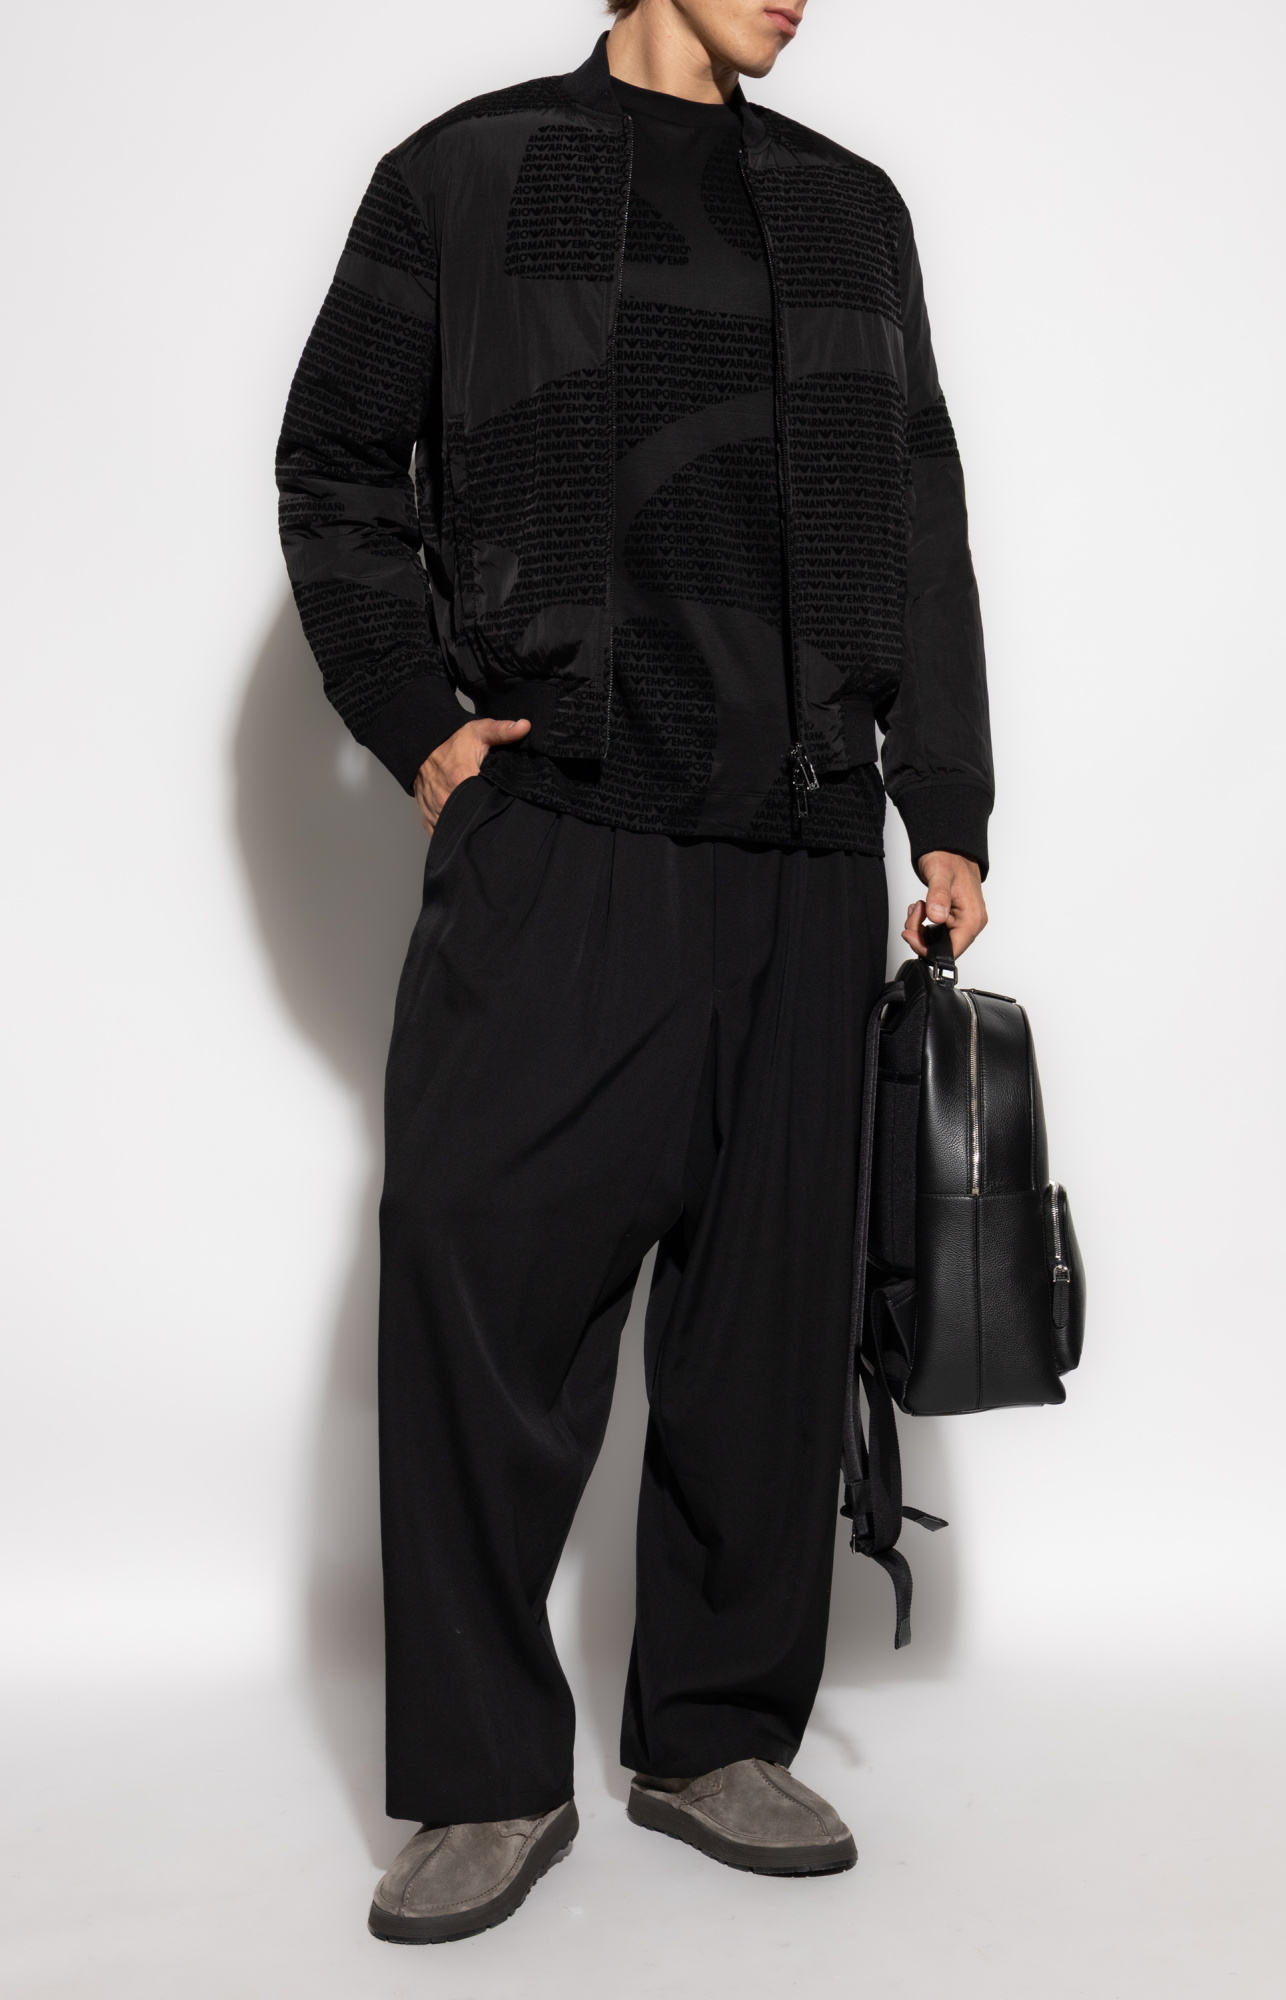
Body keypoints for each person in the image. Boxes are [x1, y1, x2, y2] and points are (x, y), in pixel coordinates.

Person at [276, 0, 992, 1945]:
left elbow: (917, 503)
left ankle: (713, 1735)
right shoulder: (468, 174)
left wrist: (941, 799)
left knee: (769, 1321)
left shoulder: (847, 209)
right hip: (562, 831)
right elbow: (336, 464)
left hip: (801, 847)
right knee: (481, 1284)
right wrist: (411, 715)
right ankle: (483, 1779)